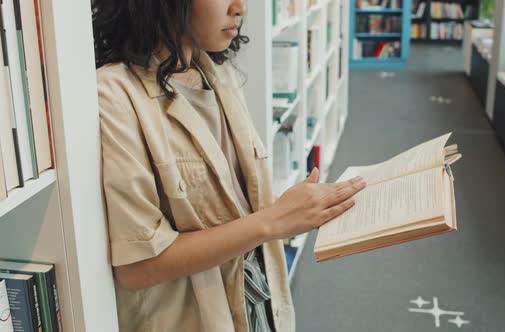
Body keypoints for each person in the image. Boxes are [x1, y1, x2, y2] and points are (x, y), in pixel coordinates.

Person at [92, 0, 367, 331]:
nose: (241, 8)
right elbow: (138, 267)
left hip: (254, 298)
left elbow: (235, 199)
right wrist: (276, 220)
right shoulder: (114, 94)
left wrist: (298, 208)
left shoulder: (217, 73)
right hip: (194, 317)